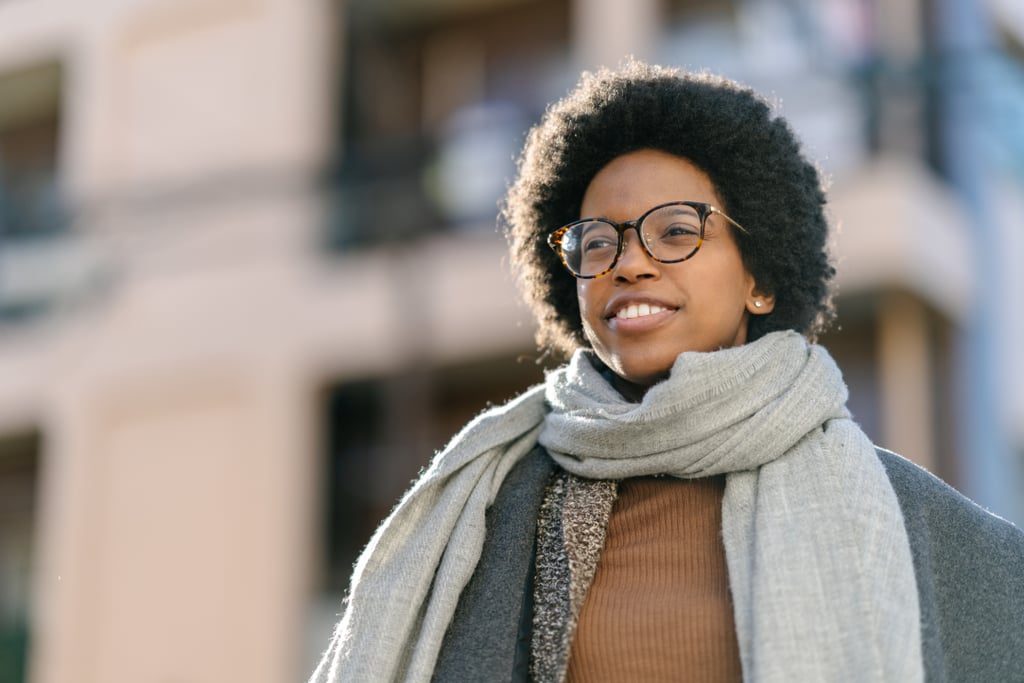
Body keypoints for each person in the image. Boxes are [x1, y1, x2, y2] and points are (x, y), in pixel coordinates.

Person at [310, 60, 1024, 683]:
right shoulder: (491, 502)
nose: (629, 262)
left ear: (761, 279)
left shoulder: (914, 524)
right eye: (598, 241)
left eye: (677, 230)